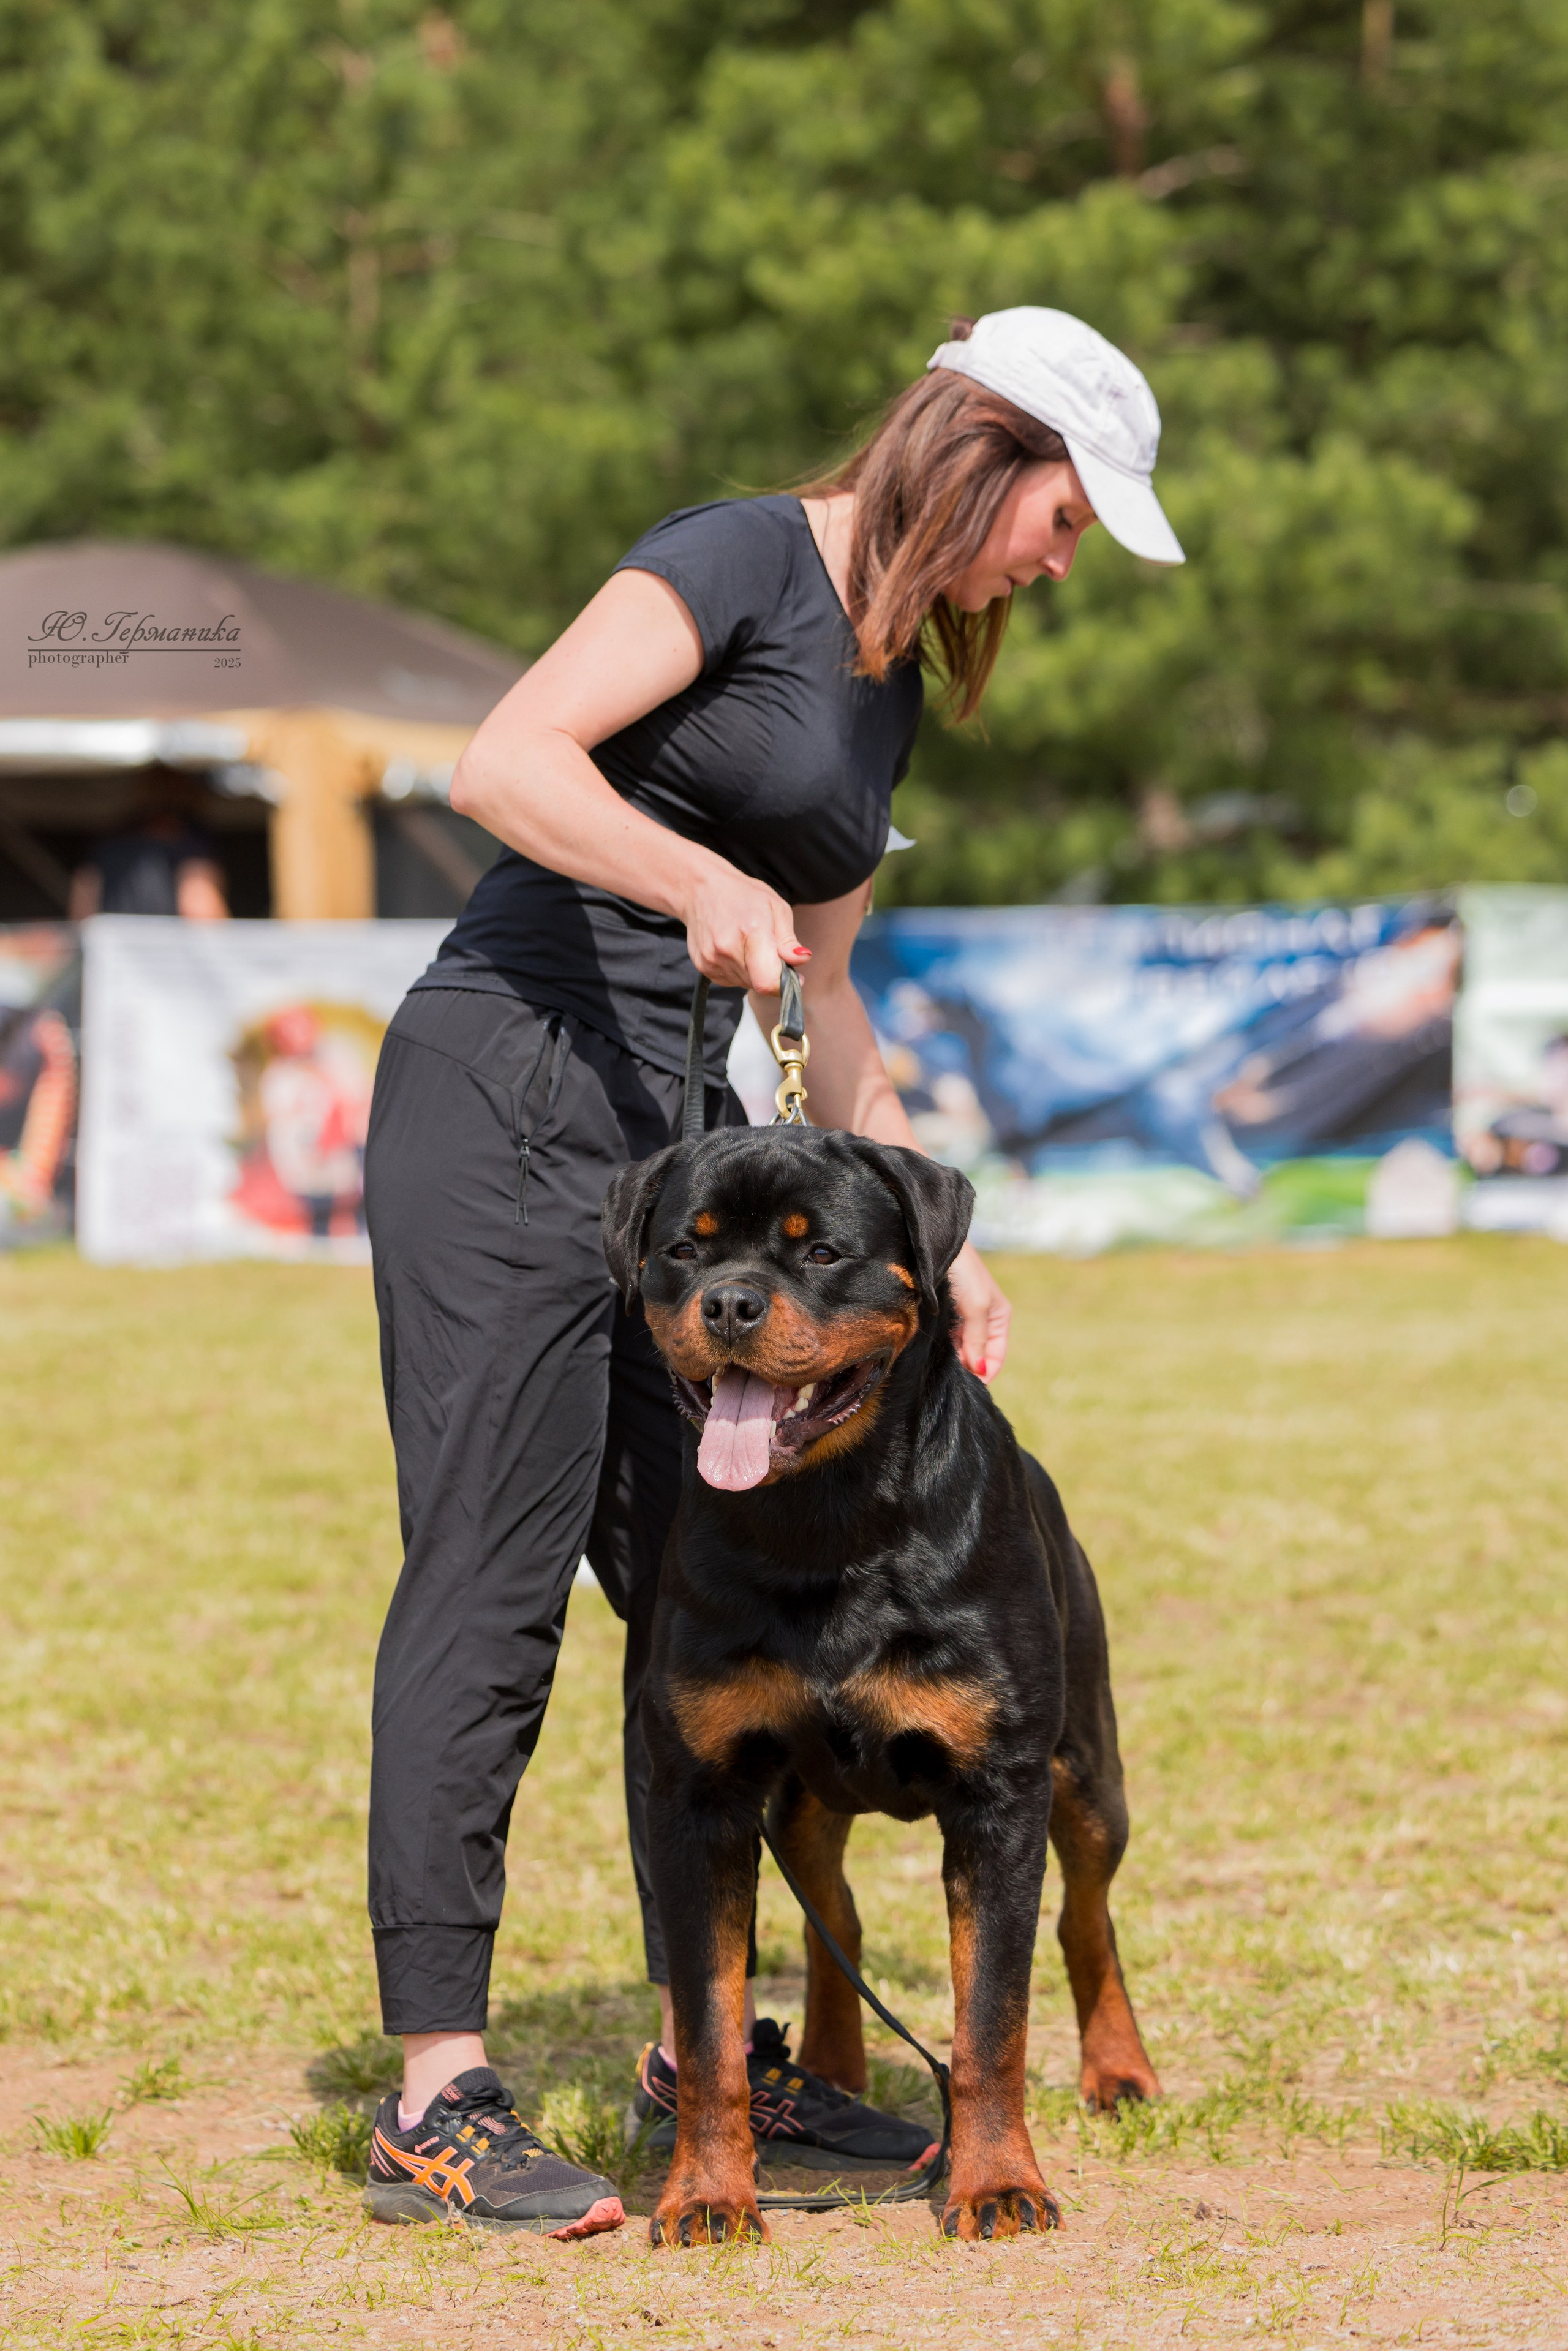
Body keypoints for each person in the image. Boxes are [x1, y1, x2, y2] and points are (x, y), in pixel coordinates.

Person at [360, 306, 1185, 2237]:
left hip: (677, 1154)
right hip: (505, 1092)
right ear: (983, 452)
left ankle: (705, 2065)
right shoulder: (736, 557)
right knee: (491, 1569)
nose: (1060, 563)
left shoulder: (882, 679)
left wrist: (937, 1237)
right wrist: (682, 875)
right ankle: (434, 2093)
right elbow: (505, 757)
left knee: (697, 1591)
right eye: (1064, 516)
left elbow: (825, 987)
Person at [69, 771, 229, 921]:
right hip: (164, 947)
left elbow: (83, 912)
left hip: (112, 946)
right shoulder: (190, 844)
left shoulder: (110, 839)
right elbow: (200, 910)